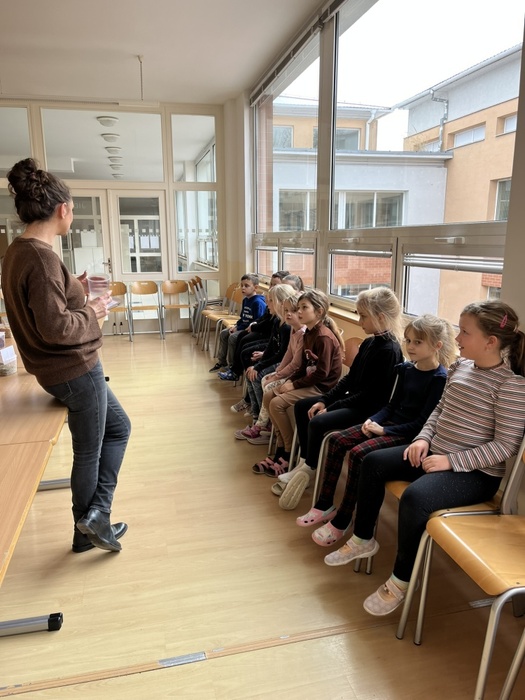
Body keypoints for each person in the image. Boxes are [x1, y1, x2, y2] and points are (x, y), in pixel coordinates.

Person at [329, 301, 525, 617]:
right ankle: (363, 538)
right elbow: (439, 411)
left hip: (475, 474)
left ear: (490, 341)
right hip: (434, 453)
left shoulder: (511, 384)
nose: (457, 337)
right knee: (373, 462)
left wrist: (451, 462)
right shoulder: (461, 367)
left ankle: (402, 580)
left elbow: (505, 446)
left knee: (415, 498)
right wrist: (423, 439)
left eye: (465, 332)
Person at [1, 158, 131, 554]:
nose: (71, 216)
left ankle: (95, 518)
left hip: (60, 372)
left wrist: (76, 287)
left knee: (118, 428)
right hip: (75, 371)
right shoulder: (41, 258)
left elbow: (45, 302)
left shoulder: (18, 251)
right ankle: (88, 527)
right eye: (72, 209)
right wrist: (93, 310)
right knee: (90, 450)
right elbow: (56, 327)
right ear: (62, 209)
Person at [296, 314, 456, 547]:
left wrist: (384, 431)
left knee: (358, 454)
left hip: (407, 435)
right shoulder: (405, 369)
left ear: (437, 346)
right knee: (337, 441)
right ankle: (324, 504)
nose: (410, 346)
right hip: (386, 425)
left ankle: (343, 519)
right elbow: (391, 406)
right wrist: (373, 420)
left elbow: (422, 423)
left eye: (417, 342)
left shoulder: (439, 379)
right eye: (408, 340)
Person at [278, 287, 404, 509]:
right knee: (303, 407)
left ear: (381, 317)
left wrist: (332, 406)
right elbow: (349, 380)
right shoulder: (369, 342)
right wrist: (325, 400)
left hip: (368, 410)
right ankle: (306, 461)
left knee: (318, 421)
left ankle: (310, 468)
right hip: (354, 399)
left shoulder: (390, 350)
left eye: (363, 316)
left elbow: (369, 395)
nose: (359, 321)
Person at [255, 289, 344, 476]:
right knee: (270, 395)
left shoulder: (323, 337)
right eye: (299, 308)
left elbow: (321, 374)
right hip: (309, 382)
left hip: (322, 387)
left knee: (276, 404)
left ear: (318, 312)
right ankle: (280, 447)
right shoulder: (308, 334)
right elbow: (303, 366)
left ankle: (288, 453)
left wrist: (293, 385)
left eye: (304, 308)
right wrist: (288, 381)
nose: (299, 311)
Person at [237, 294, 306, 445]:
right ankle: (261, 421)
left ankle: (263, 425)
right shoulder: (291, 328)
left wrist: (277, 375)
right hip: (288, 369)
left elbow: (295, 363)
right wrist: (276, 372)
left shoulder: (300, 332)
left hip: (298, 374)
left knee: (266, 382)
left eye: (293, 311)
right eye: (286, 310)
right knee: (262, 377)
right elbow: (287, 354)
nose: (288, 314)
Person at [228, 271, 290, 394]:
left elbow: (283, 354)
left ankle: (252, 400)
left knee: (254, 368)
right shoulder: (277, 319)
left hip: (279, 357)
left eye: (270, 300)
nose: (267, 303)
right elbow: (272, 343)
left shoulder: (287, 326)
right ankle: (237, 375)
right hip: (270, 347)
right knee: (245, 349)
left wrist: (259, 365)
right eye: (271, 284)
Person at [209, 273, 266, 378]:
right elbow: (242, 318)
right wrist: (236, 326)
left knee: (233, 337)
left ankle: (232, 366)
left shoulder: (258, 303)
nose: (243, 288)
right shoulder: (245, 300)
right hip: (241, 327)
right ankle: (222, 362)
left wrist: (239, 329)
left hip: (249, 330)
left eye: (246, 286)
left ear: (255, 287)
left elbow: (256, 322)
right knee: (224, 333)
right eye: (242, 285)